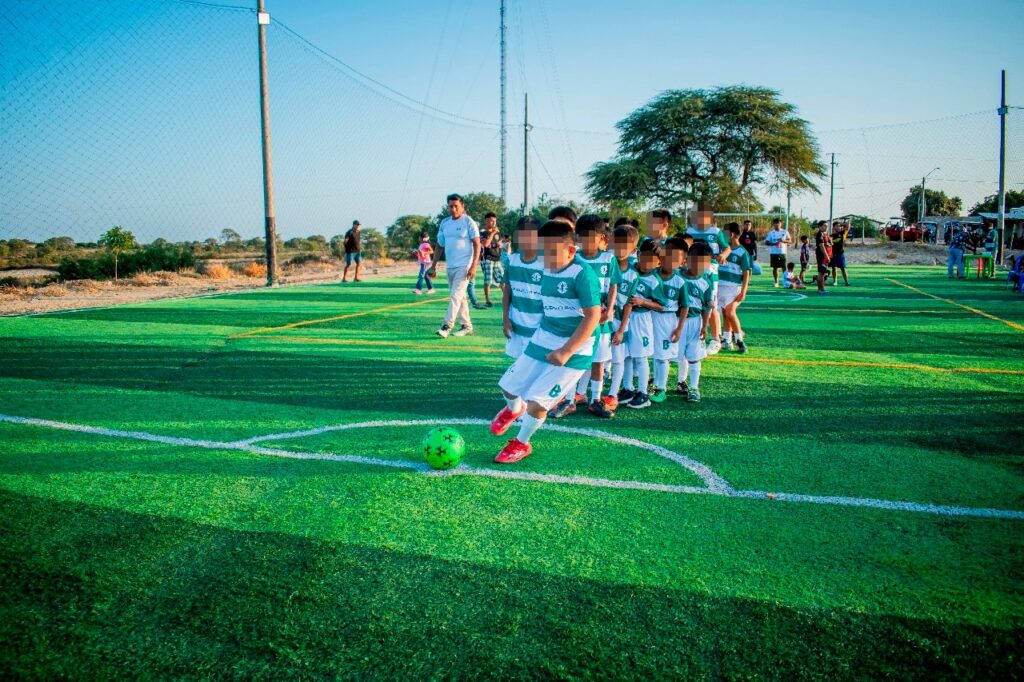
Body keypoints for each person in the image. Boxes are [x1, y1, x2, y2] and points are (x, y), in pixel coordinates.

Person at [489, 220, 602, 464]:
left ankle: (521, 443)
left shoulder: (582, 274)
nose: (546, 258)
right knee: (508, 386)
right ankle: (513, 409)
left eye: (552, 253)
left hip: (574, 349)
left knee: (538, 402)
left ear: (571, 251)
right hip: (543, 338)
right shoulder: (545, 268)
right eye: (543, 251)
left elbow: (594, 316)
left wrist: (566, 351)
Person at [551, 215, 619, 419]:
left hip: (603, 321)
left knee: (598, 362)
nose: (588, 241)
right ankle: (568, 400)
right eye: (584, 237)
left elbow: (613, 284)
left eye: (593, 237)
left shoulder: (609, 258)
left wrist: (611, 308)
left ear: (602, 238)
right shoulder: (574, 257)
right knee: (573, 360)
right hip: (578, 320)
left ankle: (596, 400)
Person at [624, 239, 667, 409]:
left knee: (640, 357)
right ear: (639, 254)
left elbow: (661, 305)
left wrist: (642, 302)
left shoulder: (655, 281)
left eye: (652, 259)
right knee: (625, 356)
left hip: (641, 320)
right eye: (644, 256)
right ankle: (627, 388)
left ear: (659, 262)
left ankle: (643, 393)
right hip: (623, 318)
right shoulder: (629, 270)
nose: (646, 262)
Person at [432, 194, 481, 338]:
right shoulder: (444, 223)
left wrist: (473, 266)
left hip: (464, 266)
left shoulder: (468, 222)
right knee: (460, 298)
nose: (453, 209)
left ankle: (446, 326)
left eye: (456, 206)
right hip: (450, 266)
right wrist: (433, 265)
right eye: (450, 206)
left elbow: (477, 244)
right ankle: (467, 326)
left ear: (462, 207)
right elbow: (439, 245)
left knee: (455, 295)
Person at [686, 204, 730, 355]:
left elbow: (727, 248)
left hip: (710, 272)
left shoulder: (715, 231)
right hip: (692, 272)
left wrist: (723, 255)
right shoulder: (689, 231)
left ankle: (716, 339)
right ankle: (698, 339)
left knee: (711, 304)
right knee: (693, 303)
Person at [675, 242, 714, 402]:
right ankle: (676, 383)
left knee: (693, 355)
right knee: (671, 355)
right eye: (696, 260)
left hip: (694, 322)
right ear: (687, 259)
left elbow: (706, 306)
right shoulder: (676, 276)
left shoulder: (706, 282)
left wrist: (704, 326)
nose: (699, 265)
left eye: (704, 262)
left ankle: (693, 387)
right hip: (675, 321)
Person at [608, 224, 641, 410]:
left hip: (620, 321)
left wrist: (621, 329)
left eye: (625, 245)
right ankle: (581, 394)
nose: (620, 249)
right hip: (601, 320)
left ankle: (613, 395)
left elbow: (629, 303)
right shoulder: (605, 267)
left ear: (633, 249)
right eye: (617, 243)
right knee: (596, 357)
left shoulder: (633, 274)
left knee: (619, 357)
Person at [501, 216, 543, 358]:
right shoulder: (512, 260)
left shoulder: (546, 263)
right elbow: (507, 292)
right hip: (517, 327)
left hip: (540, 329)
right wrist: (506, 320)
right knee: (518, 367)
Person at [651, 237, 687, 402]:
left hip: (667, 321)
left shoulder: (680, 282)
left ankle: (661, 388)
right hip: (649, 317)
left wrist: (679, 328)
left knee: (663, 356)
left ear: (681, 263)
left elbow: (684, 306)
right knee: (650, 354)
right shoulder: (652, 275)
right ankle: (651, 384)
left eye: (675, 258)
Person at [717, 223, 752, 353]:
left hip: (733, 288)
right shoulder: (722, 249)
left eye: (724, 233)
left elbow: (746, 273)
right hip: (720, 286)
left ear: (731, 235)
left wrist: (743, 291)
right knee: (725, 314)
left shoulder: (743, 252)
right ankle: (727, 340)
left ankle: (740, 341)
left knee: (730, 312)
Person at [478, 212, 503, 308]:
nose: (493, 223)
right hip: (487, 259)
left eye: (494, 221)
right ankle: (488, 300)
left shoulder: (497, 233)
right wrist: (492, 233)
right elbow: (486, 244)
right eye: (491, 221)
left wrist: (499, 244)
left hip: (497, 258)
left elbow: (499, 244)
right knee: (488, 280)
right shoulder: (482, 232)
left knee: (502, 279)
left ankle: (507, 298)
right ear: (486, 221)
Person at [764, 219, 791, 287]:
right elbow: (766, 242)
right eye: (775, 223)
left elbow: (790, 241)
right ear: (773, 224)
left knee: (784, 267)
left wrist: (784, 240)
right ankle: (776, 282)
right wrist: (773, 243)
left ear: (781, 224)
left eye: (778, 223)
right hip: (774, 253)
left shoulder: (785, 231)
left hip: (782, 252)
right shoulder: (771, 233)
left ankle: (785, 282)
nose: (777, 224)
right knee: (775, 268)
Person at [813, 221, 832, 293]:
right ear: (820, 227)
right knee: (821, 273)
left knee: (823, 273)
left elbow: (828, 244)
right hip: (822, 256)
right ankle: (820, 289)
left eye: (827, 225)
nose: (826, 227)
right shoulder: (820, 234)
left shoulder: (825, 234)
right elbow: (821, 246)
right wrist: (826, 256)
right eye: (824, 225)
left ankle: (822, 289)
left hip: (825, 256)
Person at [830, 221, 850, 285]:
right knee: (834, 268)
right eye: (837, 226)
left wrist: (840, 224)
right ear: (833, 227)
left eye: (839, 226)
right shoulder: (831, 235)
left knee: (843, 268)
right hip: (833, 254)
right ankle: (835, 281)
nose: (839, 227)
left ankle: (846, 282)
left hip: (840, 253)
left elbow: (848, 226)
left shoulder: (842, 233)